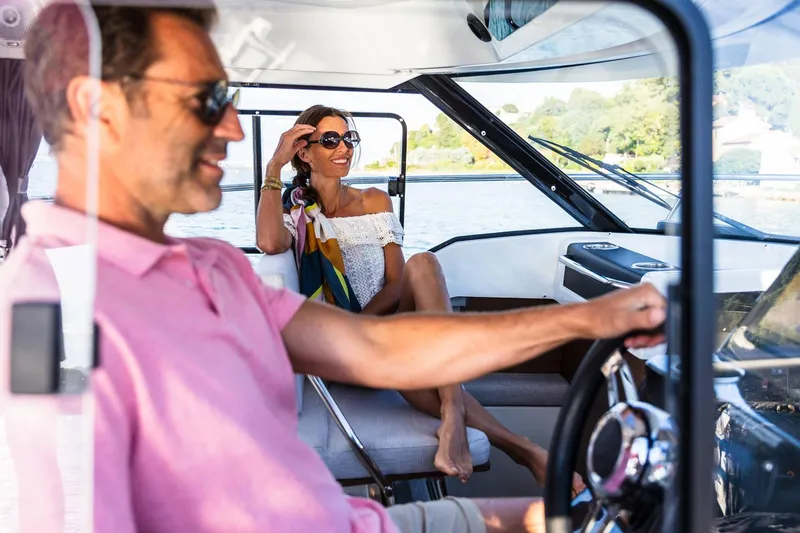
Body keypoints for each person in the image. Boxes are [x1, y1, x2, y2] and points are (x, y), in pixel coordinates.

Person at [0, 3, 666, 533]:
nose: (233, 127)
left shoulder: (212, 269)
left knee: (554, 515)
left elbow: (372, 346)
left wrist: (590, 315)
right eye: (207, 98)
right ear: (98, 108)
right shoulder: (49, 311)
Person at [256, 105, 584, 493]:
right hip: (342, 346)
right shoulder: (295, 213)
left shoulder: (375, 200)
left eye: (349, 138)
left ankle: (456, 413)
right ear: (304, 152)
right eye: (330, 140)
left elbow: (396, 283)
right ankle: (521, 448)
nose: (343, 147)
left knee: (424, 262)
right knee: (413, 365)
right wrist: (273, 168)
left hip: (389, 322)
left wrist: (374, 325)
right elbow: (268, 243)